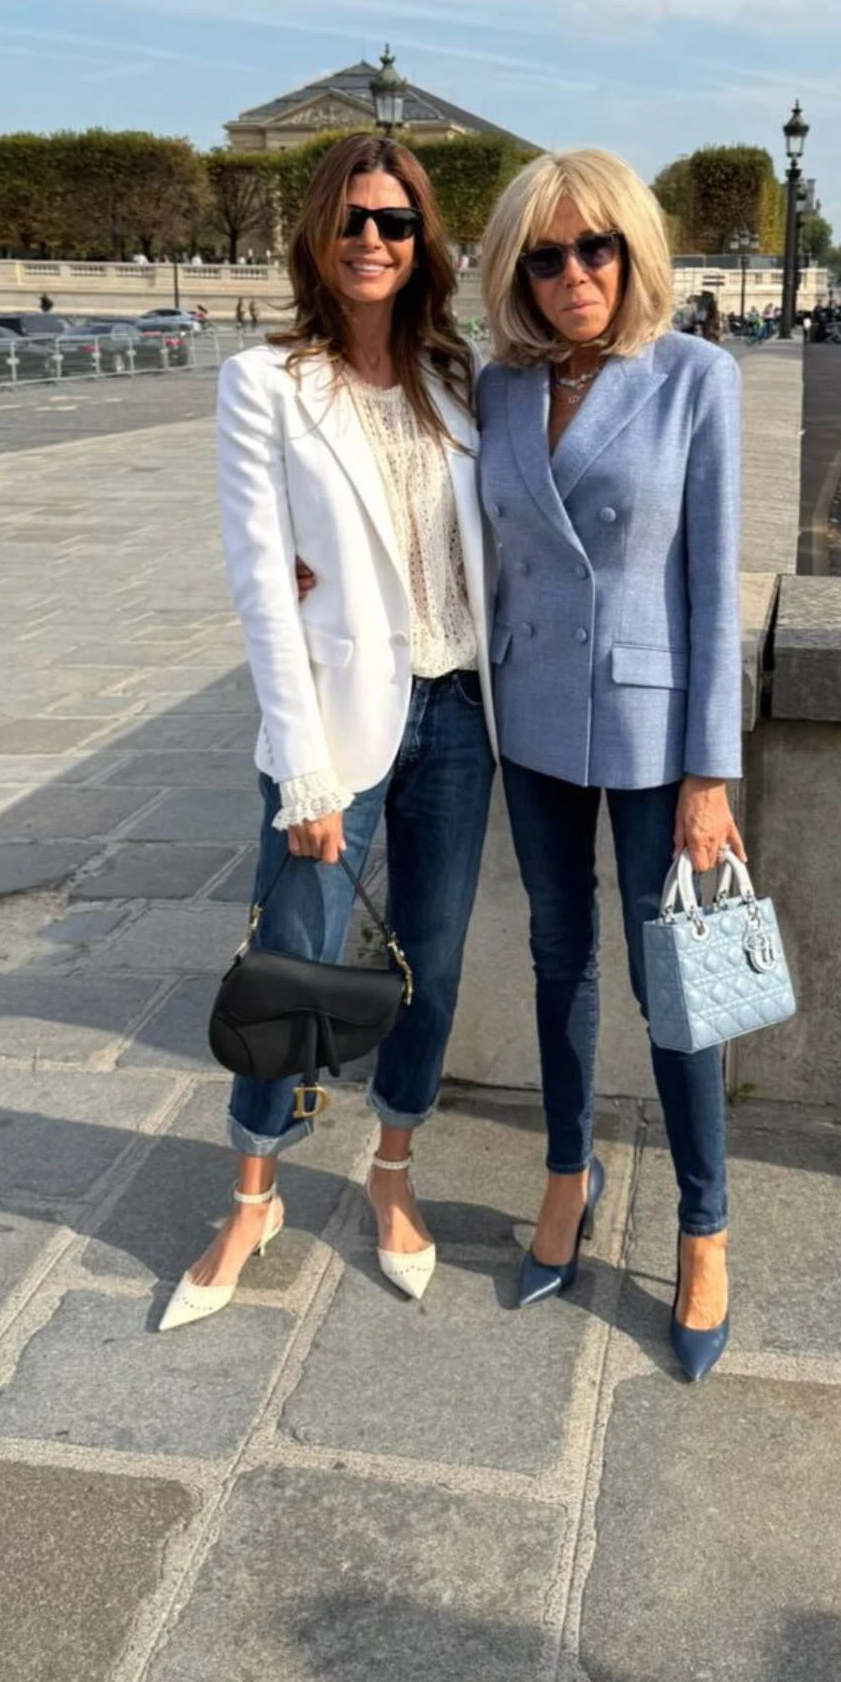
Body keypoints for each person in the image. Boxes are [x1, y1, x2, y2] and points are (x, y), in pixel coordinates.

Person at [161, 133, 497, 1331]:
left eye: (395, 221)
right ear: (318, 233)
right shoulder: (265, 383)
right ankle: (253, 1195)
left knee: (432, 963)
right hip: (339, 724)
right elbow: (263, 584)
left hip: (460, 711)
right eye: (353, 218)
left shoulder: (457, 377)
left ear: (422, 241)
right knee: (289, 966)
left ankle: (391, 1172)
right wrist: (302, 771)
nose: (372, 239)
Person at [476, 150, 743, 1380]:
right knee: (556, 957)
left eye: (597, 248)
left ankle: (704, 1223)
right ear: (516, 272)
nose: (574, 273)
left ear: (635, 253)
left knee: (676, 983)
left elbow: (712, 590)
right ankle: (565, 1172)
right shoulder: (498, 387)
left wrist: (709, 775)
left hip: (650, 729)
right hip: (530, 713)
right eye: (546, 255)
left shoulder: (695, 378)